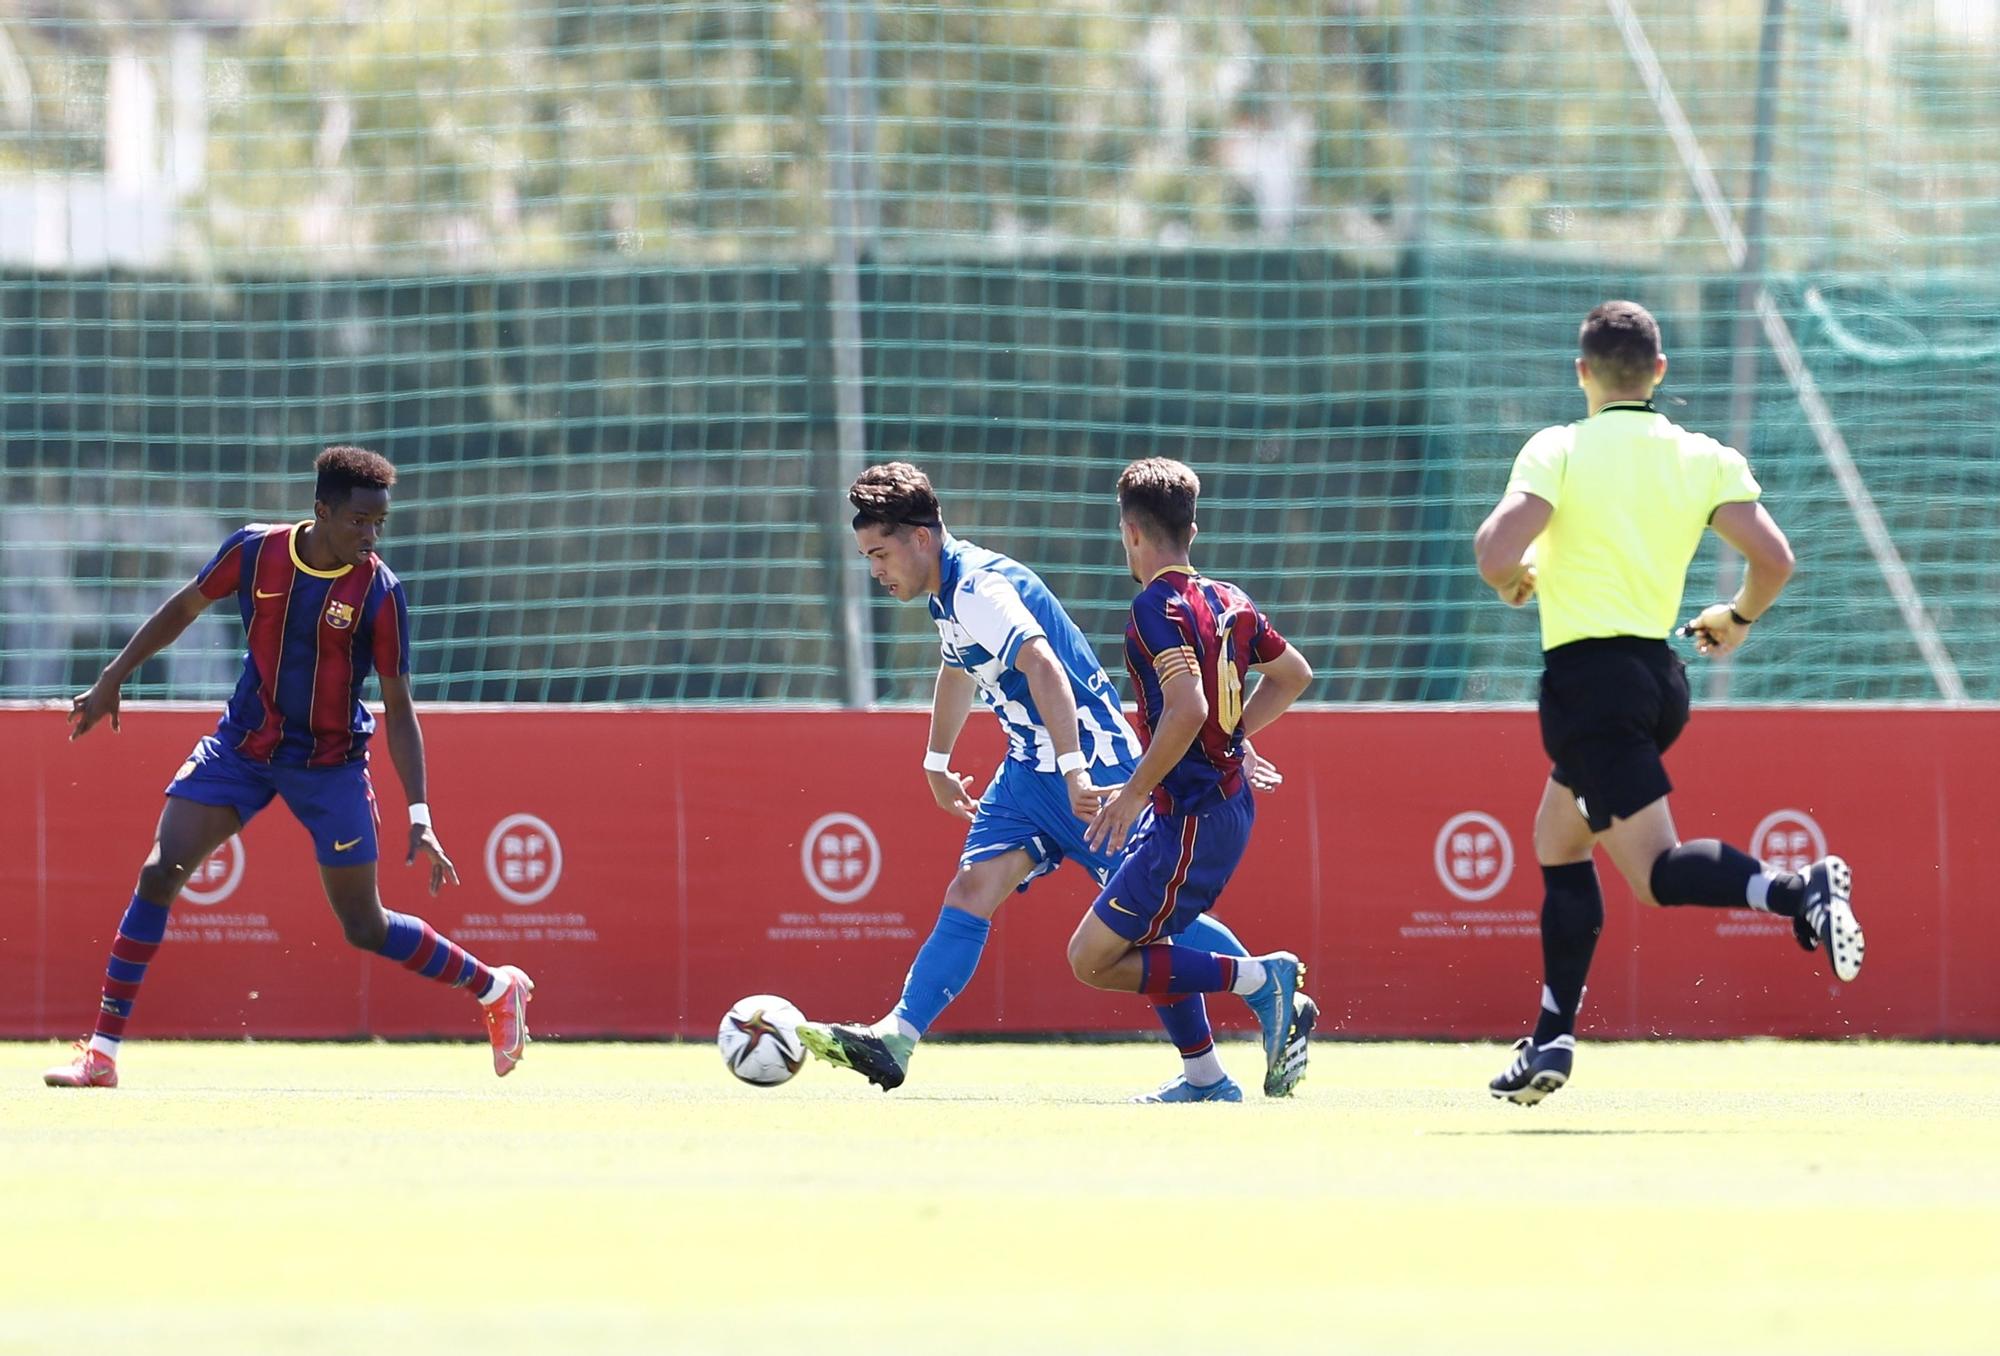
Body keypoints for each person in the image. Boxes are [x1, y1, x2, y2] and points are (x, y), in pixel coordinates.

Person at [796, 462, 1310, 1100]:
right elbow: (957, 668)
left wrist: (1072, 770)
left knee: (1151, 924)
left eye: (879, 553)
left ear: (920, 538)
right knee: (971, 888)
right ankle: (897, 1038)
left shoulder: (980, 588)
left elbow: (1042, 665)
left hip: (1090, 767)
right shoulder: (947, 592)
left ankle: (1256, 998)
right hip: (1025, 773)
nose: (875, 569)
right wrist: (935, 761)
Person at [1472, 300, 1863, 1107]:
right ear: (1659, 373)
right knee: (1557, 836)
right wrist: (1738, 617)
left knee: (1653, 872)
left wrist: (1512, 579)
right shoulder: (1701, 455)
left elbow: (1494, 552)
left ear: (1582, 372)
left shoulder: (1561, 448)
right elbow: (1775, 559)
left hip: (1590, 685)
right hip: (1657, 681)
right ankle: (1550, 1039)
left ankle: (1801, 890)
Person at [44, 447, 532, 1089]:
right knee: (161, 871)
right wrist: (113, 678)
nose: (370, 535)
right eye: (359, 520)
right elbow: (183, 608)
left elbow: (400, 707)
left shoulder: (380, 593)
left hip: (329, 765)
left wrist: (420, 813)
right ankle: (101, 1053)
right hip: (242, 748)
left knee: (364, 926)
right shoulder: (254, 550)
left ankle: (495, 988)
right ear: (321, 510)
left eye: (379, 523)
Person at [1067, 458, 1318, 1102]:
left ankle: (1263, 981)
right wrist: (1234, 737)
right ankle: (1205, 1077)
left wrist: (1128, 794)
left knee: (1092, 958)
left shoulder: (1155, 606)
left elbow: (1189, 709)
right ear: (1193, 530)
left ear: (1130, 533)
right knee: (1154, 939)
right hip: (1210, 805)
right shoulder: (1230, 599)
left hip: (1195, 812)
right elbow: (1293, 675)